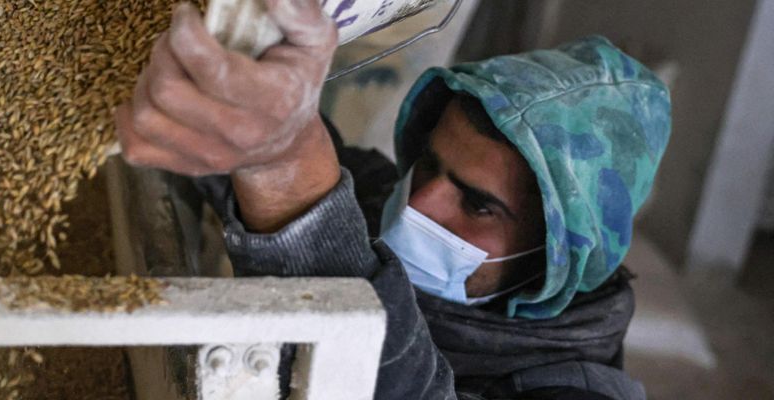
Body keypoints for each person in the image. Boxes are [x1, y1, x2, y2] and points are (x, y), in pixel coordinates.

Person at [115, 0, 671, 399]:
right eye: (429, 163)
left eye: (477, 205)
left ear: (554, 258)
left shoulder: (572, 389)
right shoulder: (379, 193)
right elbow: (245, 131)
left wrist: (286, 166)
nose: (417, 204)